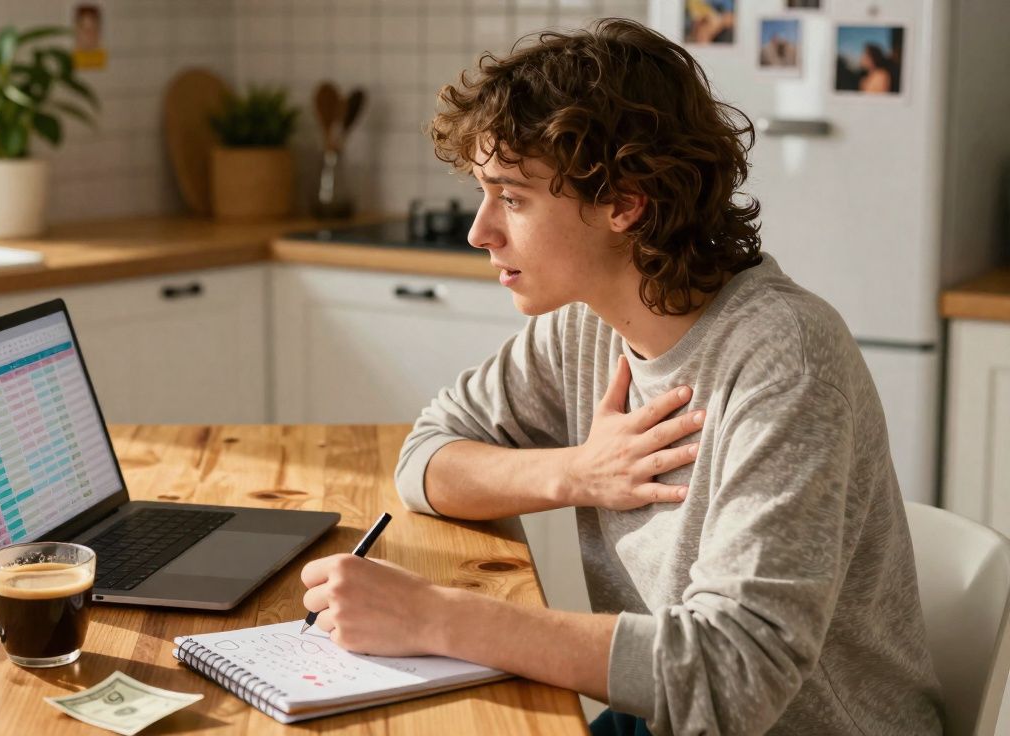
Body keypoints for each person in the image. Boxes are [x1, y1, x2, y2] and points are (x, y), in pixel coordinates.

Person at [299, 19, 943, 736]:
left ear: (624, 204)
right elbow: (426, 456)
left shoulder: (785, 358)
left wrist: (437, 617)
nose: (480, 231)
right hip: (661, 718)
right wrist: (577, 473)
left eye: (512, 198)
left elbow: (734, 677)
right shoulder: (587, 324)